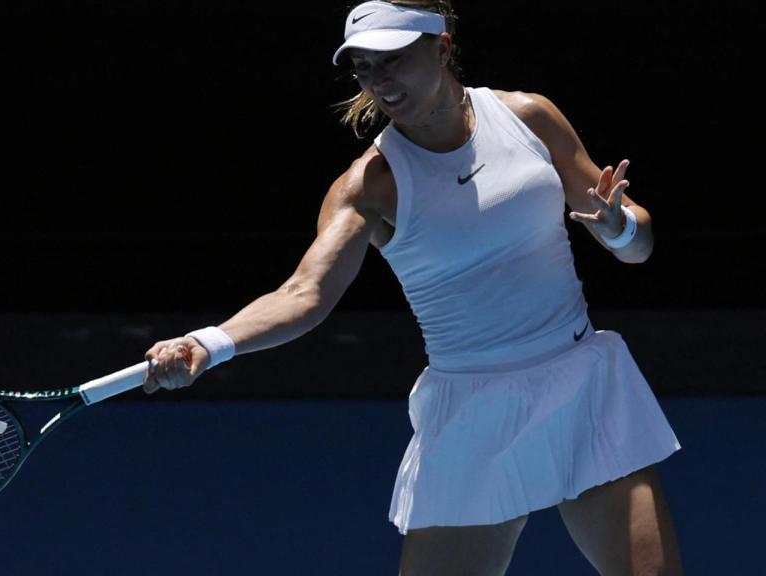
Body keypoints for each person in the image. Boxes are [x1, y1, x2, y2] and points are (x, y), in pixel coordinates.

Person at [142, 1, 684, 574]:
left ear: (443, 49)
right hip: (471, 412)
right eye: (364, 67)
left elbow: (639, 244)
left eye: (394, 60)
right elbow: (304, 293)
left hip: (580, 382)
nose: (380, 81)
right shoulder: (370, 186)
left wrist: (620, 229)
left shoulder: (528, 116)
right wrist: (209, 342)